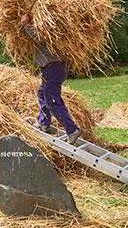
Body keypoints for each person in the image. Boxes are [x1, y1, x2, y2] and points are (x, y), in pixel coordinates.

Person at [20, 13, 82, 144]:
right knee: (42, 93)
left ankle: (72, 130)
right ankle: (44, 123)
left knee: (52, 101)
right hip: (54, 68)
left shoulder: (48, 30)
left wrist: (26, 24)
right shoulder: (55, 28)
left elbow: (39, 38)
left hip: (52, 68)